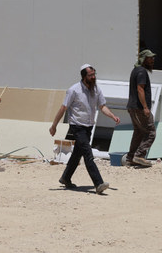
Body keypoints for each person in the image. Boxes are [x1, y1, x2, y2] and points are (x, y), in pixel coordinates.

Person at [49, 64, 120, 194]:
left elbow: (102, 106)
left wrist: (112, 116)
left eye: (94, 74)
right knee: (88, 154)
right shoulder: (74, 90)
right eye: (90, 75)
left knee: (77, 154)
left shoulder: (96, 89)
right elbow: (63, 108)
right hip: (77, 127)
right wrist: (54, 125)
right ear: (84, 76)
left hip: (88, 127)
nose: (93, 77)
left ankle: (65, 178)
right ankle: (98, 183)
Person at [126, 49, 157, 167]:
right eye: (150, 58)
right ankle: (139, 155)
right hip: (139, 108)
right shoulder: (142, 72)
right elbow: (140, 89)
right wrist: (145, 107)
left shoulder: (135, 70)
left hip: (132, 107)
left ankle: (130, 158)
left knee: (138, 132)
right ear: (143, 59)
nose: (152, 60)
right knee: (150, 132)